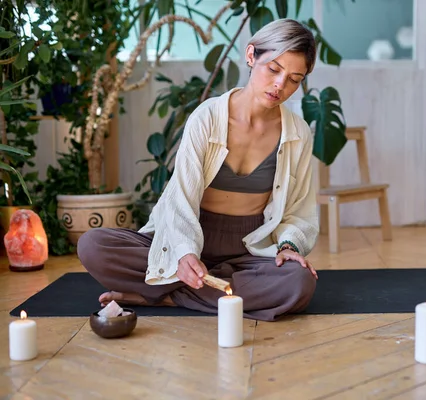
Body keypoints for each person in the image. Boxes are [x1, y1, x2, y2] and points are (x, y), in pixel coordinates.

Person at [77, 18, 320, 322]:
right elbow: (180, 198)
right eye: (273, 69)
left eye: (294, 79)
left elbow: (299, 208)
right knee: (94, 246)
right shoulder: (206, 118)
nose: (280, 85)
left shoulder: (296, 132)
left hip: (250, 249)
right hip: (191, 231)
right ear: (251, 55)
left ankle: (162, 295)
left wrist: (287, 245)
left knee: (299, 283)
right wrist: (183, 253)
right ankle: (211, 290)